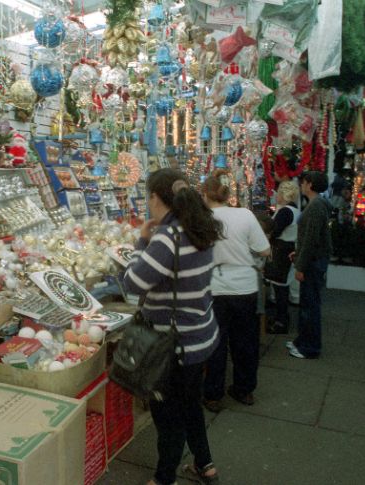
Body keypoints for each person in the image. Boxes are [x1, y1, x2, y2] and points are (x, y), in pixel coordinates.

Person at [122, 168, 223, 485]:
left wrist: (141, 241)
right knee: (191, 404)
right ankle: (205, 464)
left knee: (168, 416)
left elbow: (132, 284)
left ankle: (164, 478)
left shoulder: (168, 237)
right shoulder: (200, 227)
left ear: (155, 197)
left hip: (174, 345)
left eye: (147, 197)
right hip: (200, 336)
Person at [200, 170, 271, 411]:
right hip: (245, 286)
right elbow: (264, 250)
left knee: (216, 343)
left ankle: (212, 394)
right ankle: (244, 390)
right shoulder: (245, 215)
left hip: (216, 287)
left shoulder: (202, 219)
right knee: (246, 342)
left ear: (205, 194)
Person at [287, 171, 333, 359]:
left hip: (313, 262)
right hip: (314, 259)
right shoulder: (317, 204)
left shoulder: (315, 206)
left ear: (310, 184)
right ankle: (302, 340)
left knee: (310, 305)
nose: (301, 185)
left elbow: (311, 240)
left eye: (303, 182)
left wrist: (300, 266)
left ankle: (310, 348)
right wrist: (299, 254)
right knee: (307, 303)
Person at [264, 180, 301, 334]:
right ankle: (281, 319)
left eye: (278, 193)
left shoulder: (285, 211)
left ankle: (281, 321)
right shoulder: (295, 211)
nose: (276, 196)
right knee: (282, 286)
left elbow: (275, 230)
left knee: (280, 287)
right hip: (288, 248)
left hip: (281, 250)